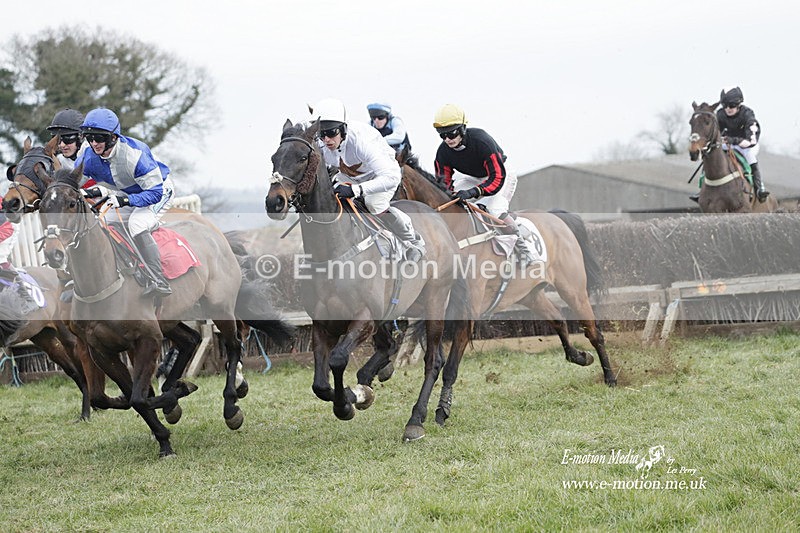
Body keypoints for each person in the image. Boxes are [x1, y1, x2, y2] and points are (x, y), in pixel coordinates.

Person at [311, 98, 425, 262]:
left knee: (373, 203)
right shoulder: (321, 143)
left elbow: (391, 178)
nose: (326, 139)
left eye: (331, 133)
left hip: (381, 176)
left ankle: (412, 240)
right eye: (322, 134)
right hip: (349, 176)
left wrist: (356, 190)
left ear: (343, 129)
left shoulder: (361, 142)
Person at [76, 107, 174, 296]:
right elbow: (72, 182)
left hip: (158, 190)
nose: (94, 143)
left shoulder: (133, 155)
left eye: (99, 138)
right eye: (90, 138)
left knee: (136, 223)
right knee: (103, 222)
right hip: (128, 193)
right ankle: (126, 267)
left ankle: (159, 280)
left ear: (113, 137)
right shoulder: (88, 156)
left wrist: (126, 199)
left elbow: (154, 193)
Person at [432, 103, 534, 266]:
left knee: (494, 210)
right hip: (471, 176)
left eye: (451, 134)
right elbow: (443, 184)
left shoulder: (482, 141)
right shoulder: (443, 152)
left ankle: (524, 250)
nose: (447, 140)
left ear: (463, 128)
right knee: (451, 203)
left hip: (501, 174)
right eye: (442, 135)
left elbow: (497, 178)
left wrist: (474, 192)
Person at [690, 86, 769, 203]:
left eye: (731, 105)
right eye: (725, 105)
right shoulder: (720, 115)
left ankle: (759, 188)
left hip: (746, 145)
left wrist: (734, 140)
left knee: (750, 158)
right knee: (710, 155)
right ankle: (702, 189)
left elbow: (751, 140)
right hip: (726, 143)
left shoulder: (747, 114)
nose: (728, 109)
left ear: (739, 104)